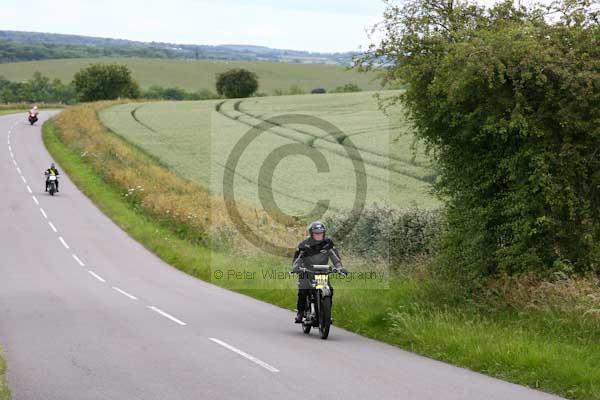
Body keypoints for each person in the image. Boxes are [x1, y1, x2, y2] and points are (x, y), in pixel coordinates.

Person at [291, 221, 347, 323]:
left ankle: (326, 314)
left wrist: (340, 268)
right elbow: (297, 259)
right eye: (316, 233)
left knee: (329, 290)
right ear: (311, 233)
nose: (318, 235)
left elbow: (335, 258)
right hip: (306, 271)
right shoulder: (304, 245)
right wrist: (296, 268)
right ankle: (300, 312)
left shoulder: (328, 244)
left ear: (324, 233)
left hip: (322, 271)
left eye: (320, 233)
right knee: (303, 290)